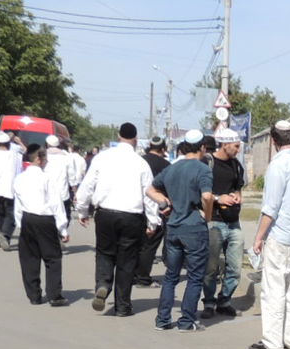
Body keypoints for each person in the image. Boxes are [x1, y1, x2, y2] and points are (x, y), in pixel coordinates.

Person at [249, 119, 290, 349]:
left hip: (280, 235)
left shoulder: (278, 166)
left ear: (274, 141)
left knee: (274, 289)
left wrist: (258, 237)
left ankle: (273, 341)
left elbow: (271, 208)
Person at [74, 122, 151, 317]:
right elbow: (149, 195)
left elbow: (87, 186)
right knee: (127, 260)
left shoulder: (102, 158)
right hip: (132, 216)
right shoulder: (141, 162)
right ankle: (123, 306)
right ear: (135, 138)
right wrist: (153, 221)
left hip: (106, 213)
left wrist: (82, 211)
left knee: (104, 252)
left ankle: (103, 284)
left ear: (118, 136)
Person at [151, 129, 213, 332]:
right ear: (202, 147)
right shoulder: (202, 169)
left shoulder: (172, 168)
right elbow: (207, 196)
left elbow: (150, 189)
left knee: (171, 276)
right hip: (194, 227)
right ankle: (186, 321)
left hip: (174, 227)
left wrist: (164, 202)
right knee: (195, 277)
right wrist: (208, 215)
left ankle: (162, 319)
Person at [12, 144, 68, 307]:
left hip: (27, 218)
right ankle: (54, 295)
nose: (46, 161)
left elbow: (18, 204)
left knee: (29, 258)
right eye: (45, 158)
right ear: (38, 159)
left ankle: (34, 295)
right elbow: (56, 203)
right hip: (45, 218)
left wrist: (20, 224)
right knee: (53, 258)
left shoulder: (20, 178)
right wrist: (62, 227)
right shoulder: (46, 178)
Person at [202, 127, 245, 318]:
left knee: (235, 267)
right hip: (214, 222)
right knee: (211, 268)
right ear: (225, 144)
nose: (238, 150)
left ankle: (224, 300)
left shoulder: (236, 166)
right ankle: (209, 303)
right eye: (236, 146)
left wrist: (237, 196)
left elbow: (238, 188)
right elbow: (200, 192)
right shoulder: (207, 163)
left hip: (233, 222)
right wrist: (219, 199)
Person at [135, 137, 169, 287]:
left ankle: (132, 275)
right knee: (150, 244)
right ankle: (142, 277)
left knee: (136, 244)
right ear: (163, 149)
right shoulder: (166, 165)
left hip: (135, 208)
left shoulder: (139, 161)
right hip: (156, 207)